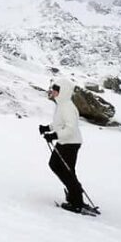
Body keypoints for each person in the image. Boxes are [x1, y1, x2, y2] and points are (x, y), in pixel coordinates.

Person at [39, 80, 95, 214]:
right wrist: (48, 128)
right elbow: (59, 123)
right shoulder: (62, 105)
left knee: (67, 171)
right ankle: (74, 195)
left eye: (56, 90)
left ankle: (77, 202)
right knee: (56, 166)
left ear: (63, 91)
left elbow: (71, 129)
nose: (53, 92)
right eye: (53, 89)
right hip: (64, 142)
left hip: (71, 143)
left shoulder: (68, 107)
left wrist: (54, 135)